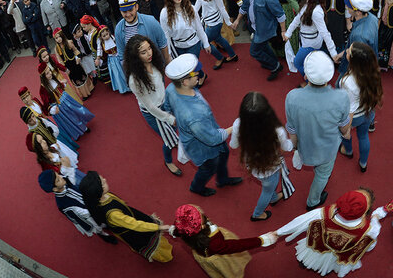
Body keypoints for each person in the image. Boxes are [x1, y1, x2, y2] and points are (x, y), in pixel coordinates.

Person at [164, 54, 242, 196]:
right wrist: (235, 127)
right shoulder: (193, 116)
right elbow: (213, 139)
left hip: (207, 131)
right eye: (195, 73)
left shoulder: (171, 88)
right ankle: (197, 187)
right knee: (209, 167)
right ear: (184, 82)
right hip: (203, 149)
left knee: (224, 153)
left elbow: (166, 106)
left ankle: (222, 179)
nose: (200, 74)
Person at [285, 51, 351, 210]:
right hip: (328, 148)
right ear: (329, 75)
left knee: (320, 171)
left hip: (305, 147)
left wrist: (294, 148)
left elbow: (292, 130)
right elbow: (343, 129)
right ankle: (312, 201)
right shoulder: (342, 97)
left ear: (306, 75)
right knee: (322, 175)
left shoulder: (292, 97)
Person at [275, 188, 383, 277]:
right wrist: (375, 219)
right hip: (338, 254)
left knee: (310, 255)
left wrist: (278, 232)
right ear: (365, 212)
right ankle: (326, 270)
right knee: (331, 264)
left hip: (319, 244)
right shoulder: (370, 229)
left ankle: (305, 263)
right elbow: (368, 247)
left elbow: (300, 221)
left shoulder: (324, 213)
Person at [79, 171, 174, 263]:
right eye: (103, 182)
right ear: (99, 191)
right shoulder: (113, 215)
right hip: (134, 230)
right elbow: (136, 225)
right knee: (151, 242)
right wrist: (159, 227)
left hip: (130, 218)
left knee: (152, 234)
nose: (105, 179)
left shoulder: (103, 196)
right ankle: (165, 256)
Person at [229, 92, 294, 221]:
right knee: (267, 190)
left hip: (252, 165)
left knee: (268, 186)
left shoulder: (238, 124)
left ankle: (274, 198)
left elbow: (233, 145)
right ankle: (257, 214)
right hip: (271, 166)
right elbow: (287, 147)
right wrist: (294, 140)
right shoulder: (276, 129)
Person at [124, 35, 182, 176]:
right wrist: (168, 118)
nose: (149, 53)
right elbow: (150, 107)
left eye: (149, 48)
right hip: (153, 113)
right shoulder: (134, 80)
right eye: (143, 52)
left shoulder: (155, 62)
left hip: (165, 104)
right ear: (135, 57)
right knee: (168, 140)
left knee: (173, 132)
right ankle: (168, 161)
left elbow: (161, 85)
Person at [171, 204, 278, 277]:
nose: (199, 209)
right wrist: (262, 240)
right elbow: (236, 245)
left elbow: (177, 230)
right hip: (217, 255)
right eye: (199, 213)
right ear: (202, 226)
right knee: (230, 269)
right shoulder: (214, 244)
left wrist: (172, 231)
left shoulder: (184, 229)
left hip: (205, 249)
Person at [231, 0, 287, 81]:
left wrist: (283, 31)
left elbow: (280, 15)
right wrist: (237, 20)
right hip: (253, 26)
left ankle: (275, 66)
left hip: (264, 30)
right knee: (264, 46)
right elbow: (245, 6)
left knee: (254, 51)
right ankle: (274, 62)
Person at [37, 169, 117, 243]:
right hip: (87, 215)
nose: (61, 177)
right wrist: (93, 208)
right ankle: (103, 234)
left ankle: (104, 224)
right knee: (97, 226)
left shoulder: (65, 180)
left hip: (90, 204)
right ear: (54, 189)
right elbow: (80, 216)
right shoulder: (63, 204)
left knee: (102, 218)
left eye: (58, 175)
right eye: (58, 179)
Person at [338, 42, 383, 172]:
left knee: (345, 134)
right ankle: (363, 163)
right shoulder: (372, 71)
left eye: (349, 51)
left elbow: (349, 111)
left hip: (354, 116)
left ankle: (348, 151)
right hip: (368, 111)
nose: (346, 51)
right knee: (363, 136)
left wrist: (345, 129)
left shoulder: (347, 82)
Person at [283, 0, 337, 79]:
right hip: (307, 39)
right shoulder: (308, 3)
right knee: (311, 61)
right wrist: (288, 33)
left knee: (297, 62)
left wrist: (333, 52)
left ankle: (313, 80)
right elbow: (297, 19)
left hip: (311, 42)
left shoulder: (316, 11)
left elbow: (325, 33)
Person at [160, 0, 210, 85]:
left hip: (193, 43)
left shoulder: (191, 8)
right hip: (178, 46)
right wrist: (168, 54)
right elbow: (166, 35)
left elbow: (199, 27)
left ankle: (194, 88)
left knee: (190, 69)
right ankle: (202, 75)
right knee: (184, 69)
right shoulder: (164, 13)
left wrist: (206, 43)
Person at [193, 0, 238, 70]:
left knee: (204, 43)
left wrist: (229, 22)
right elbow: (198, 3)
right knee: (219, 39)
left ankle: (220, 58)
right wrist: (192, 13)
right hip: (209, 21)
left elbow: (222, 8)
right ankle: (233, 55)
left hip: (214, 23)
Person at [38, 62, 93, 143]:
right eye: (47, 73)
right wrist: (52, 108)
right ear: (43, 77)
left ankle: (83, 126)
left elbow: (60, 87)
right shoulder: (43, 89)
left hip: (66, 100)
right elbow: (46, 104)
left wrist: (63, 84)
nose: (50, 73)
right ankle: (77, 132)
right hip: (59, 107)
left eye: (49, 71)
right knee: (69, 120)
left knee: (76, 112)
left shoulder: (53, 79)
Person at [334, 0, 379, 80]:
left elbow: (358, 62)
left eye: (349, 7)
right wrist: (341, 54)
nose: (347, 7)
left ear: (358, 12)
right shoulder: (372, 18)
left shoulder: (359, 35)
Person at [114, 0, 170, 65]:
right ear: (120, 11)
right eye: (124, 12)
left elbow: (163, 45)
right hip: (137, 71)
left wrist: (167, 64)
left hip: (156, 66)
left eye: (130, 10)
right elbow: (122, 55)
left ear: (136, 7)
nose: (128, 14)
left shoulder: (151, 21)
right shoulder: (118, 29)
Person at [52, 28, 93, 100]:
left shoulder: (69, 42)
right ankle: (84, 94)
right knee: (76, 80)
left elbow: (75, 50)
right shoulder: (56, 49)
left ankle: (89, 89)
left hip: (75, 63)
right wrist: (64, 68)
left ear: (62, 36)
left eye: (59, 37)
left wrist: (78, 57)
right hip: (68, 67)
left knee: (82, 76)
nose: (58, 39)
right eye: (56, 38)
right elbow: (59, 60)